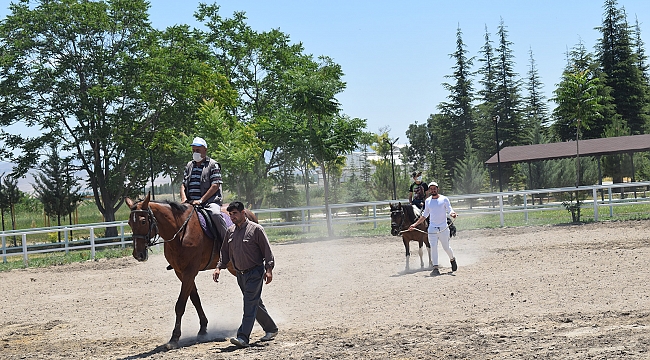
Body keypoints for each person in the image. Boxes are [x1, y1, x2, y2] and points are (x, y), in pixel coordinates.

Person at [213, 201, 278, 348]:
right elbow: (224, 252)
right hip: (240, 275)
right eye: (230, 214)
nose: (232, 217)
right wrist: (219, 268)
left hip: (255, 272)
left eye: (235, 213)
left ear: (243, 213)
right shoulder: (230, 231)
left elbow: (267, 252)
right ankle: (271, 329)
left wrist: (269, 270)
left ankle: (243, 337)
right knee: (254, 303)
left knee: (249, 304)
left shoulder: (256, 230)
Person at [180, 137, 227, 243]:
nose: (195, 153)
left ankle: (228, 244)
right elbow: (183, 184)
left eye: (198, 150)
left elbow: (215, 185)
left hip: (209, 203)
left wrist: (201, 200)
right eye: (193, 151)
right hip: (190, 202)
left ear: (205, 150)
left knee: (215, 214)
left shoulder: (213, 165)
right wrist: (183, 198)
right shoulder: (189, 165)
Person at [408, 181, 457, 276]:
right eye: (431, 189)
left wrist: (452, 214)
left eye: (435, 188)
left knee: (446, 247)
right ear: (429, 190)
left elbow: (449, 209)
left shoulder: (444, 199)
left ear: (437, 189)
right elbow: (425, 215)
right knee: (433, 247)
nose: (433, 190)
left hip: (443, 227)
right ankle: (435, 267)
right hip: (432, 229)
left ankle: (452, 259)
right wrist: (415, 224)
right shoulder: (428, 201)